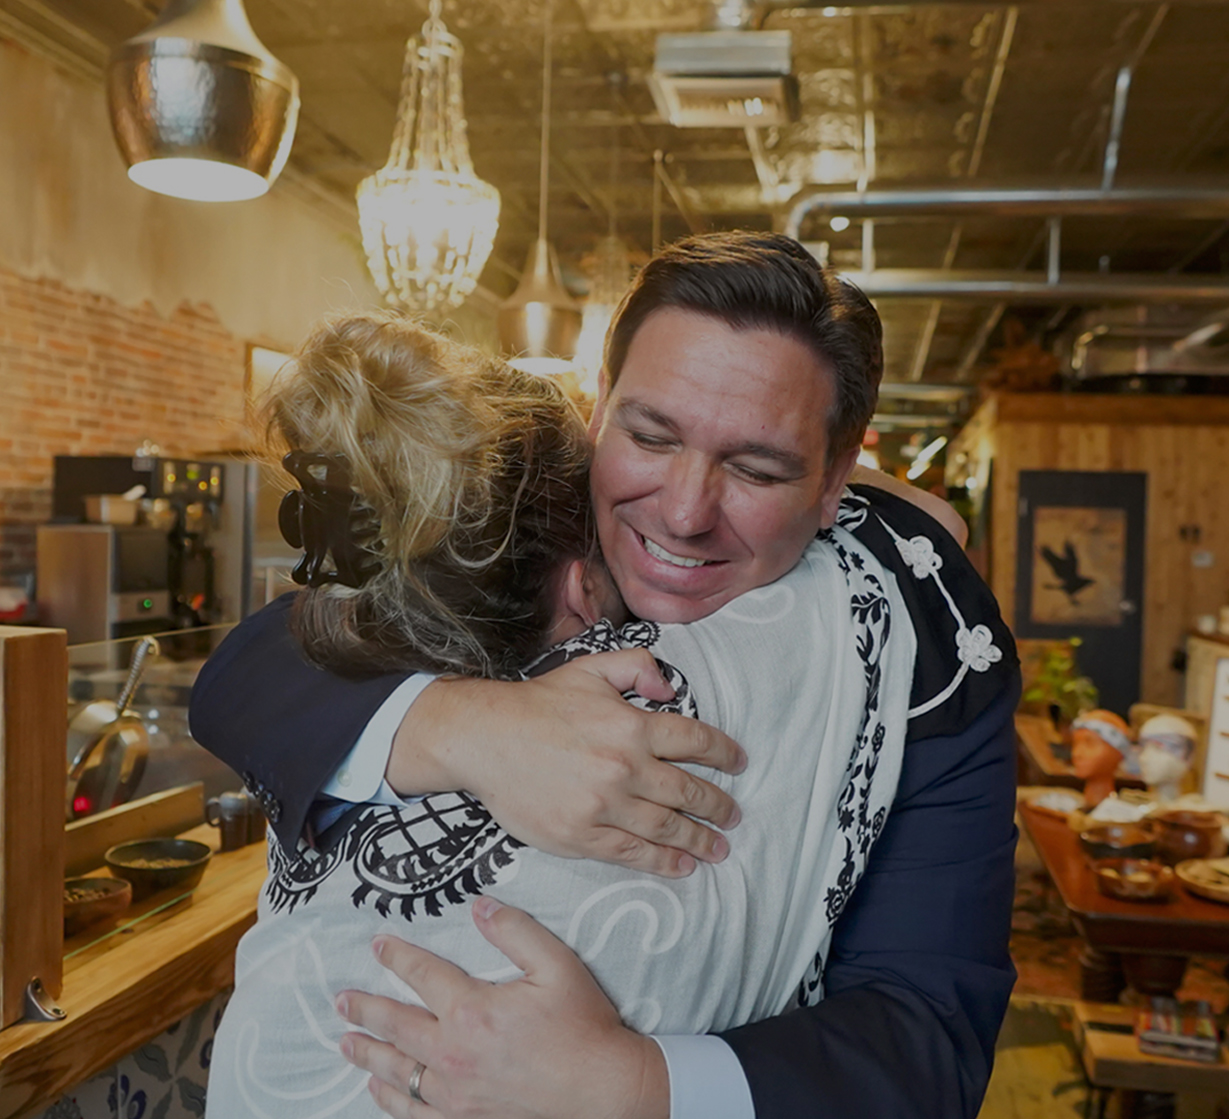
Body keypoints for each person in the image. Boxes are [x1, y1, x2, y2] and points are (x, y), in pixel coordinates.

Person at [187, 231, 1021, 1119]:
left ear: (834, 483)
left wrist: (631, 1086)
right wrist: (467, 728)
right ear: (599, 412)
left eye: (757, 467)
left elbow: (930, 1039)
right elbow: (253, 663)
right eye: (651, 435)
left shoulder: (930, 657)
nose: (684, 512)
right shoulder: (529, 503)